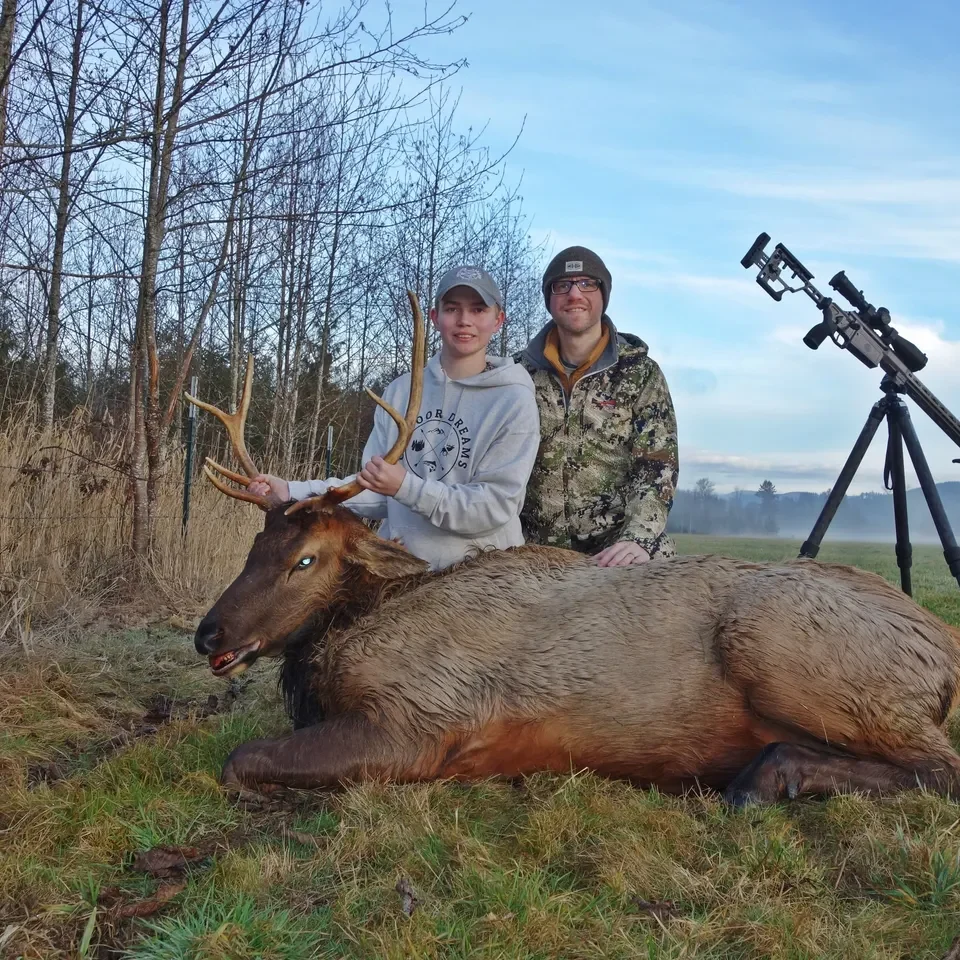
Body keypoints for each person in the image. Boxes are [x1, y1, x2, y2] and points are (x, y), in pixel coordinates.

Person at [248, 265, 541, 571]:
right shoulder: (401, 391)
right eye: (452, 309)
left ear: (498, 320)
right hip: (405, 572)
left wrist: (406, 487)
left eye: (478, 309)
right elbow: (375, 490)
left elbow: (494, 507)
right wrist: (292, 491)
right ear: (435, 318)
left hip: (482, 576)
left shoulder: (513, 399)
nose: (464, 320)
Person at [514, 245, 678, 567]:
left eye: (587, 283)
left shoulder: (640, 374)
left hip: (613, 547)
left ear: (603, 295)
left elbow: (658, 465)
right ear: (550, 299)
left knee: (662, 574)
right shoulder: (516, 375)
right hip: (529, 548)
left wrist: (638, 538)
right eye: (562, 285)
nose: (575, 294)